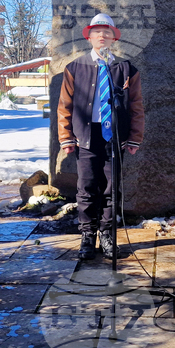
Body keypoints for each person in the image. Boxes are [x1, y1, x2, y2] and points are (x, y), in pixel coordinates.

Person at [57, 13, 145, 261]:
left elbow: (136, 105)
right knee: (86, 188)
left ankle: (107, 234)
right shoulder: (75, 68)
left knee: (111, 188)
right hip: (87, 135)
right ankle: (87, 235)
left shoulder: (126, 69)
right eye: (97, 32)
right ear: (89, 37)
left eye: (107, 32)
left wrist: (134, 136)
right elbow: (65, 105)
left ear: (114, 38)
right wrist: (66, 136)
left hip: (114, 136)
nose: (102, 36)